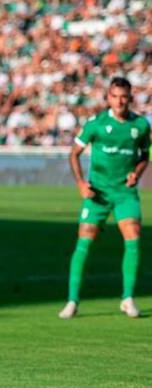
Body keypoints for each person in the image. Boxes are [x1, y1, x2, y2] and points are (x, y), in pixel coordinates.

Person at [59, 77, 150, 319]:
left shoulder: (140, 125)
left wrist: (137, 173)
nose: (119, 101)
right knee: (84, 242)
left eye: (124, 97)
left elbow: (144, 156)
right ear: (108, 98)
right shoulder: (96, 124)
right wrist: (81, 184)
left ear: (130, 98)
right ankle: (72, 301)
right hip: (97, 193)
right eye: (115, 96)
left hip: (124, 193)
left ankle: (127, 298)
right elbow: (74, 153)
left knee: (133, 237)